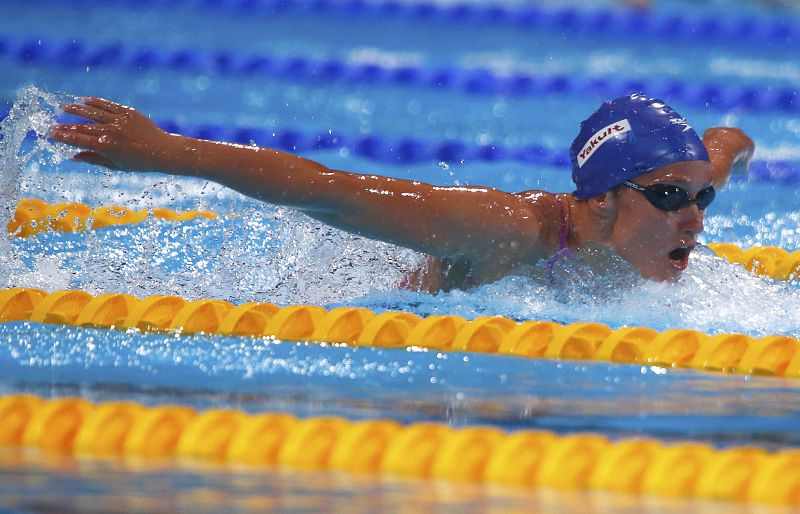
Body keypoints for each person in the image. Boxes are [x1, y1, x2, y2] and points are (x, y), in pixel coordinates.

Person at [48, 93, 754, 292]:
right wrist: (167, 150)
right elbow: (332, 191)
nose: (694, 218)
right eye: (670, 199)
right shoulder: (507, 230)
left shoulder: (677, 185)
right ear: (602, 198)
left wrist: (727, 166)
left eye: (704, 200)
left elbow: (727, 141)